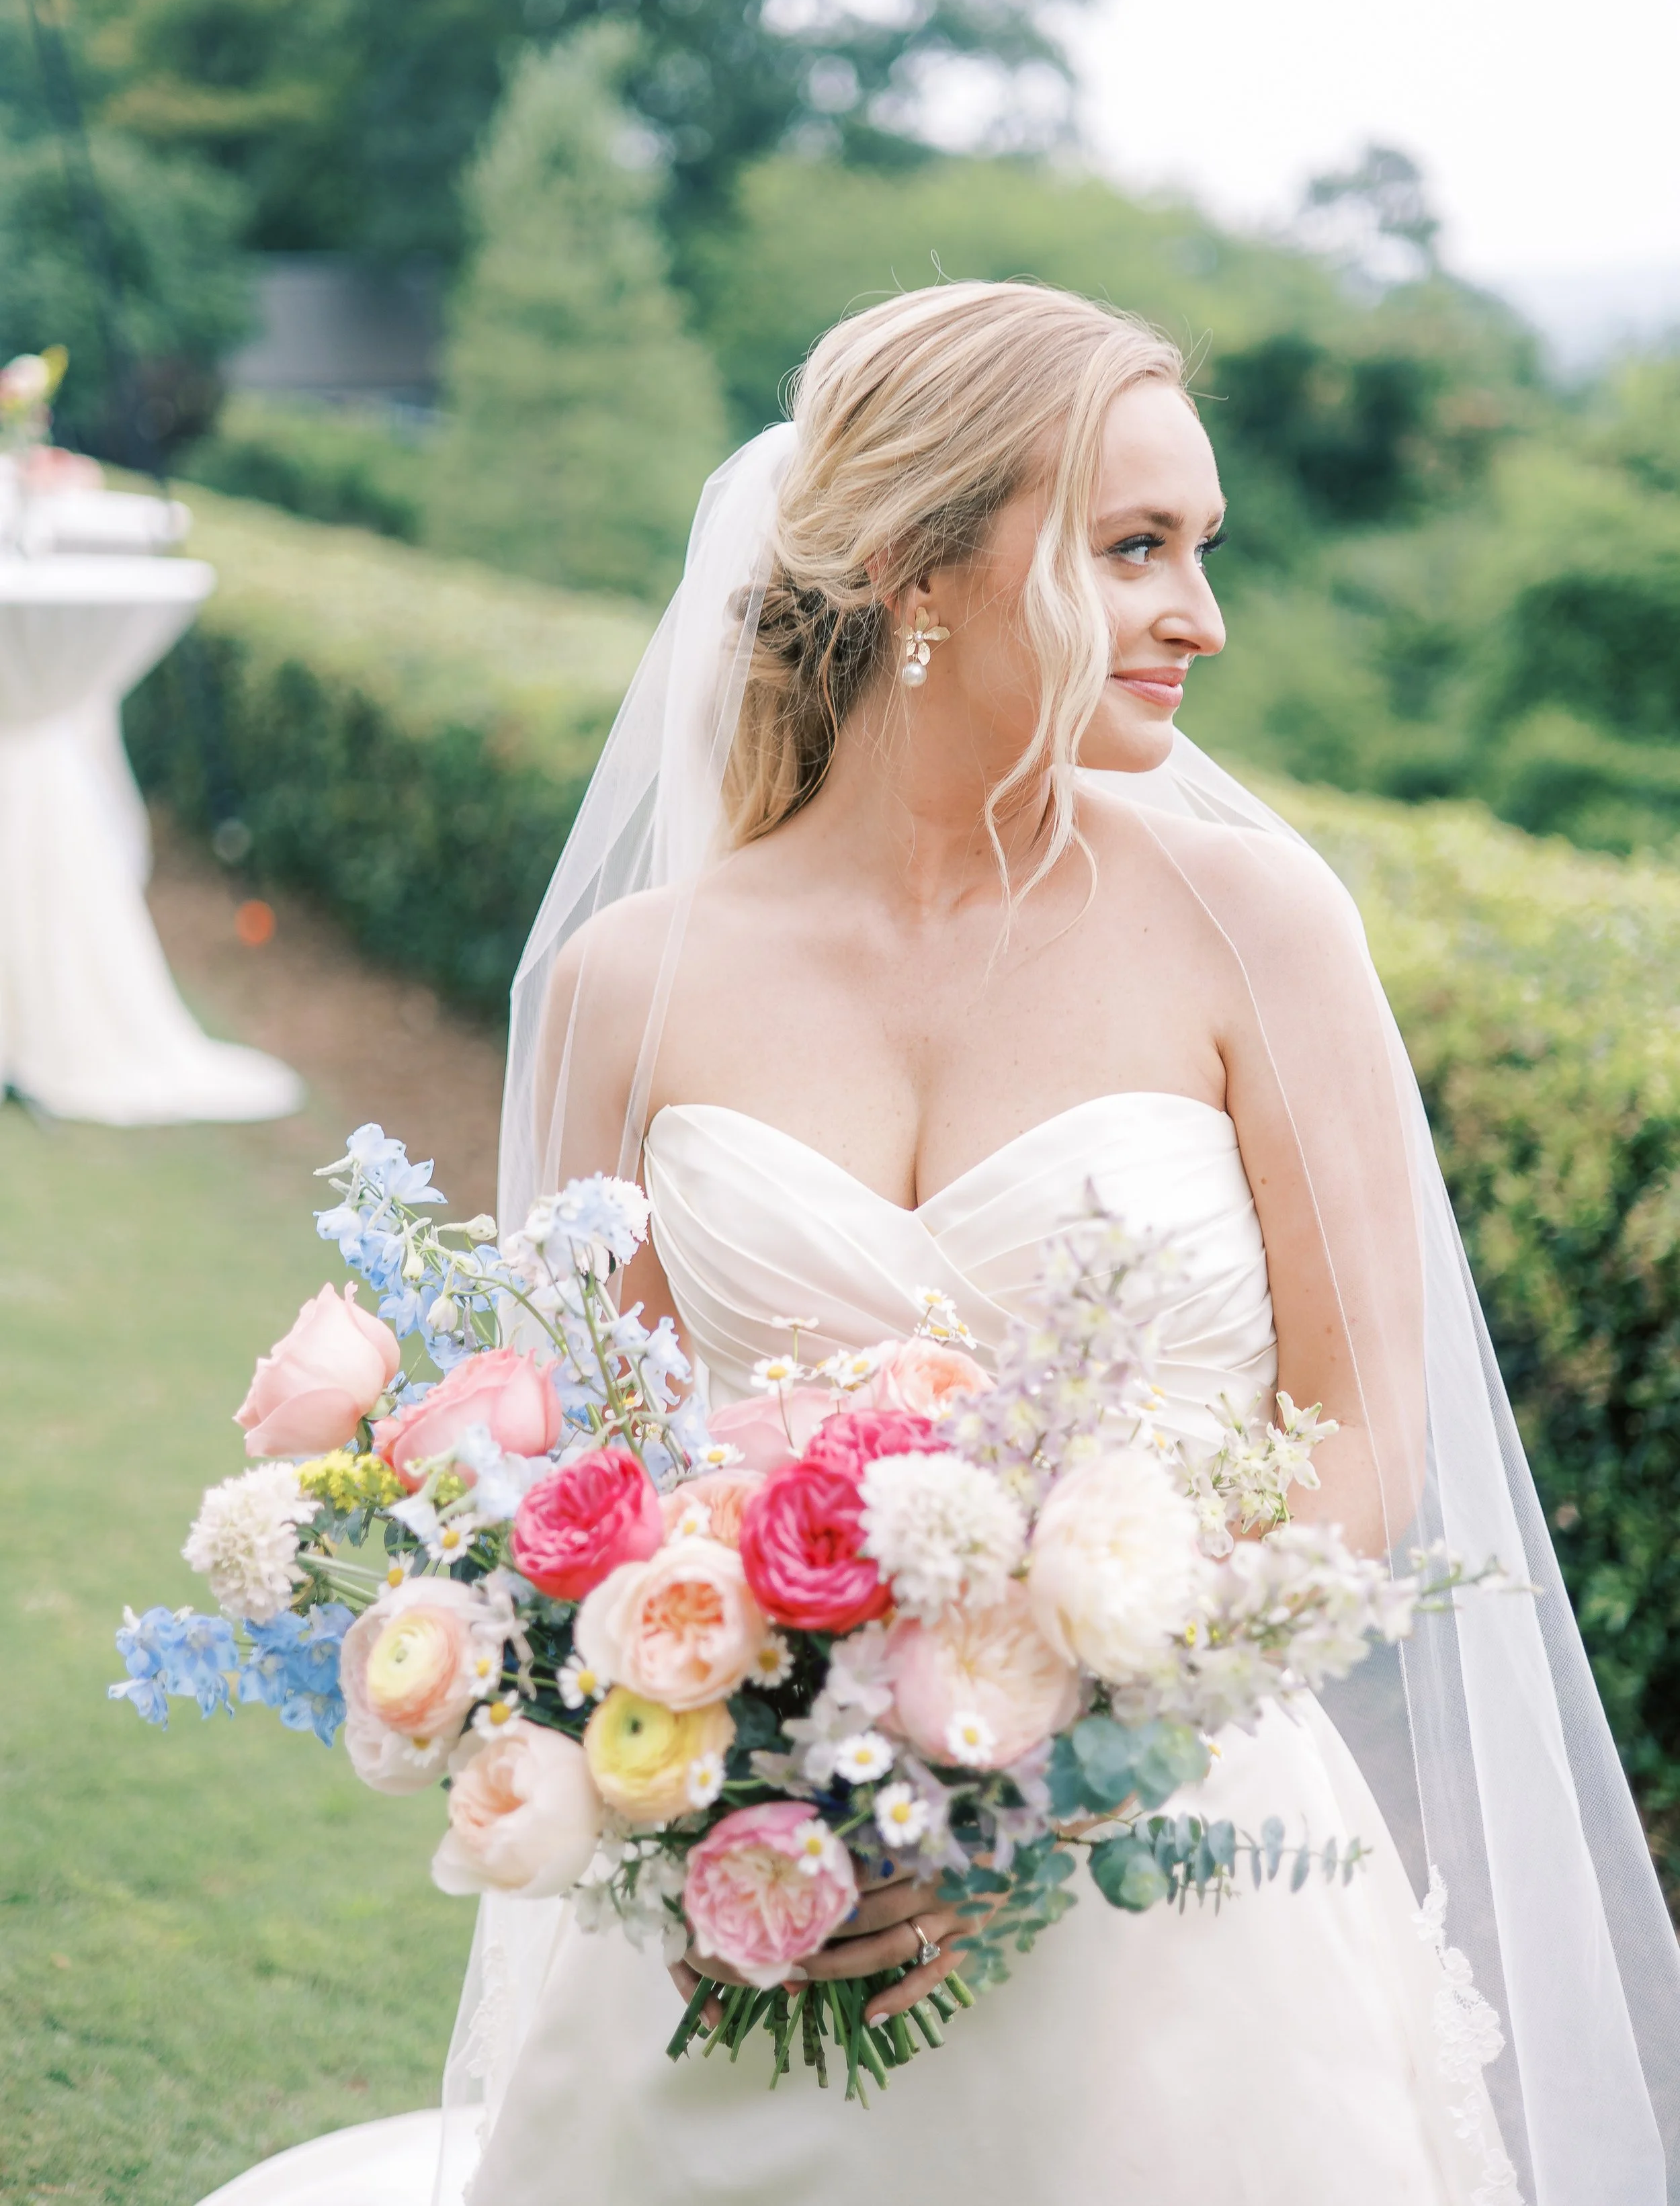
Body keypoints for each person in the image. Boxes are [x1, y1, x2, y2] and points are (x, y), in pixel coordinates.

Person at [204, 284, 1680, 2206]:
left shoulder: (1251, 921)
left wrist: (1053, 1751)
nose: (1199, 617)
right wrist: (730, 1798)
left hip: (1176, 1876)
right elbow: (597, 1477)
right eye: (1131, 547)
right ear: (914, 565)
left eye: (1199, 550)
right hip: (754, 1904)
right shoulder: (626, 984)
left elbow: (1362, 1422)